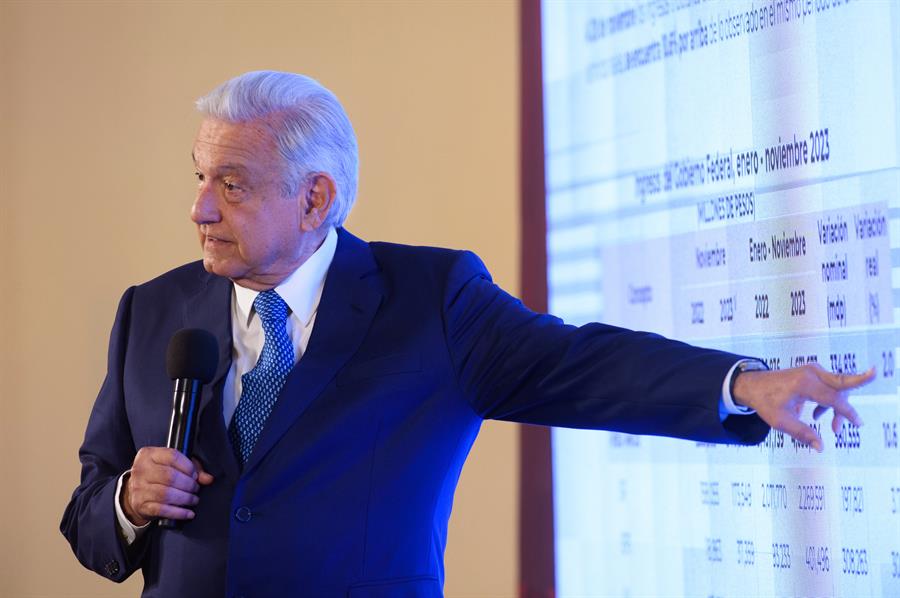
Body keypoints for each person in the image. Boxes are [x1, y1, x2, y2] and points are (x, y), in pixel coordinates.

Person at [60, 71, 873, 597]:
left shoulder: (431, 301)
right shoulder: (152, 311)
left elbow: (580, 365)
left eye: (230, 185)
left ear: (316, 200)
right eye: (200, 178)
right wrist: (128, 503)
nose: (199, 209)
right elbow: (89, 519)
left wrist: (739, 384)